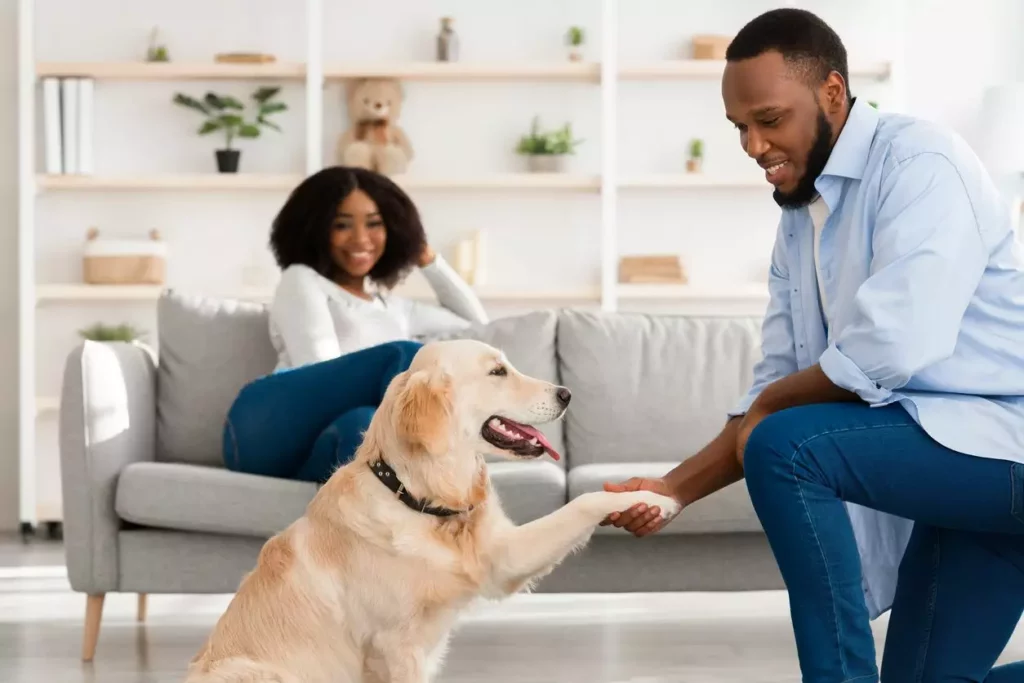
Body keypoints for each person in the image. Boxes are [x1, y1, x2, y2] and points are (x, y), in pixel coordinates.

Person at [603, 8, 1024, 683]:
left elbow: (892, 344)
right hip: (962, 472)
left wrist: (771, 406)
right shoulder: (800, 222)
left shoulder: (923, 162)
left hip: (1008, 449)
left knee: (788, 443)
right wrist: (673, 489)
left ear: (832, 93)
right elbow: (778, 377)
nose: (752, 145)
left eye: (770, 120)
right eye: (740, 128)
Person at [222, 166, 488, 483]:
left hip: (314, 452)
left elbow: (476, 328)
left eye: (375, 224)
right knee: (406, 357)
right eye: (341, 225)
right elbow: (317, 367)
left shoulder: (395, 309)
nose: (361, 238)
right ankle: (447, 445)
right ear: (315, 230)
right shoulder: (301, 280)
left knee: (361, 426)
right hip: (264, 427)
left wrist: (427, 258)